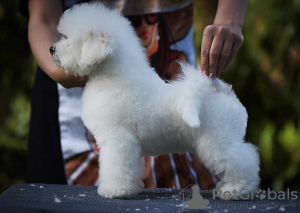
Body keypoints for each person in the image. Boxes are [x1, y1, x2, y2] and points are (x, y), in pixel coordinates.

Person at [19, 0, 247, 189]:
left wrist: (231, 18)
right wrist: (56, 68)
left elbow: (121, 145)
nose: (60, 47)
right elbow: (43, 17)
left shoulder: (119, 97)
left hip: (192, 92)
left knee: (215, 149)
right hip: (62, 119)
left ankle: (241, 180)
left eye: (69, 42)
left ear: (94, 50)